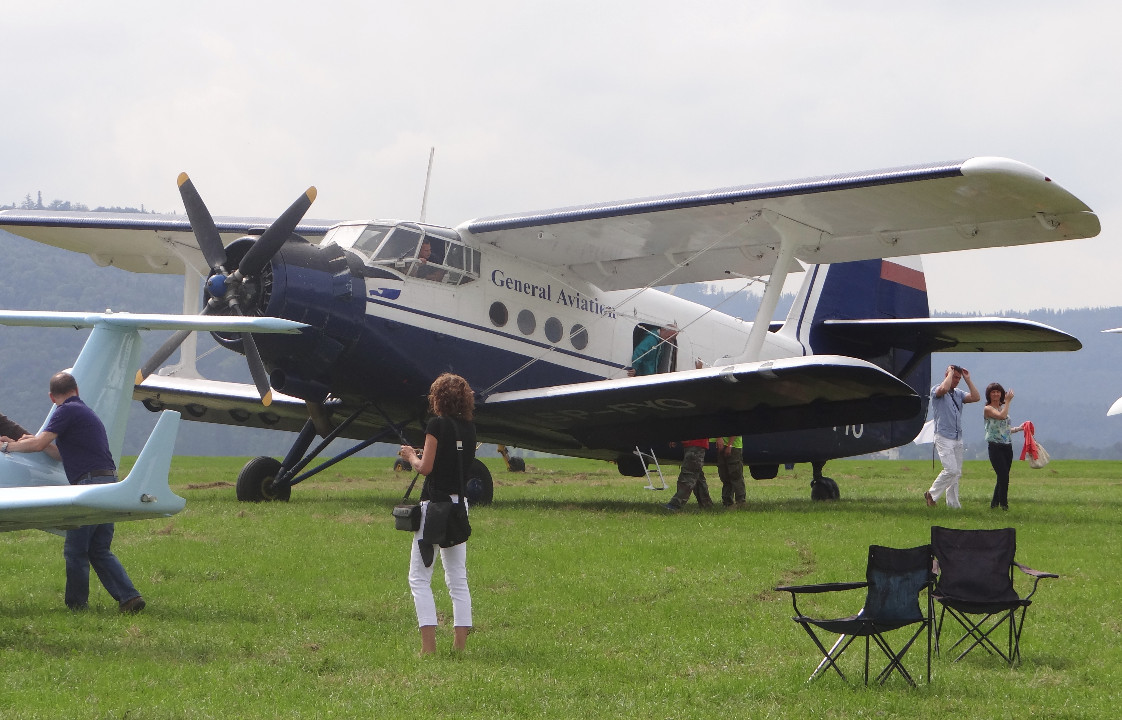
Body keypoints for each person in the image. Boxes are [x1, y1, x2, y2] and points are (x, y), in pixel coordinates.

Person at [0, 372, 145, 612]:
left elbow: (37, 444)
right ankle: (129, 598)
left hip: (89, 484)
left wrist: (7, 445)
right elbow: (58, 453)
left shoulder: (64, 412)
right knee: (98, 549)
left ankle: (77, 606)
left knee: (75, 549)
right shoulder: (85, 412)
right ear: (76, 390)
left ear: (51, 396)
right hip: (108, 481)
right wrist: (42, 444)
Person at [398, 373, 476, 655]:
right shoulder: (469, 428)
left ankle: (428, 648)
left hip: (434, 507)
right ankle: (459, 647)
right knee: (457, 577)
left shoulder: (435, 424)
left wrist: (410, 456)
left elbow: (426, 467)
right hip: (459, 506)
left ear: (437, 398)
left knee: (419, 577)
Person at [924, 364, 980, 509]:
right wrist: (950, 373)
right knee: (951, 470)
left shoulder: (958, 394)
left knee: (956, 473)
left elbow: (976, 397)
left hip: (957, 436)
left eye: (958, 378)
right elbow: (943, 389)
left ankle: (953, 504)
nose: (956, 380)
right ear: (947, 375)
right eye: (954, 377)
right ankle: (931, 494)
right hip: (943, 436)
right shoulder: (936, 390)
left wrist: (967, 380)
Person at [983, 382, 1024, 511]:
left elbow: (1004, 428)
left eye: (998, 392)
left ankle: (994, 504)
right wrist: (1008, 402)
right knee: (1004, 476)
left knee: (1003, 476)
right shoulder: (988, 409)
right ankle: (1004, 505)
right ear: (989, 395)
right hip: (995, 446)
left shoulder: (1002, 407)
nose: (996, 394)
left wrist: (1019, 428)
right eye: (993, 392)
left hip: (1007, 445)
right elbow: (1002, 417)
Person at [664, 438, 714, 510]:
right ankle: (707, 505)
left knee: (689, 475)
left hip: (695, 444)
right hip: (693, 444)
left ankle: (676, 504)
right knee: (697, 477)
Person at [713, 435, 746, 507]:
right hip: (721, 445)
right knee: (724, 476)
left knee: (735, 475)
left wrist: (729, 445)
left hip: (734, 446)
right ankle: (727, 502)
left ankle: (741, 501)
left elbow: (734, 428)